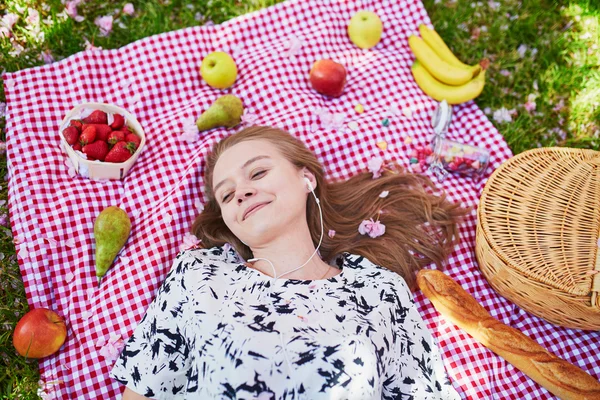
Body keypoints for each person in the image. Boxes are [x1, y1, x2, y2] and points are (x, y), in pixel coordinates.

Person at [110, 125, 469, 399]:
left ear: (306, 178)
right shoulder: (200, 276)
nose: (243, 192)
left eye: (258, 173)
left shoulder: (379, 291)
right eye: (227, 194)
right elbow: (144, 389)